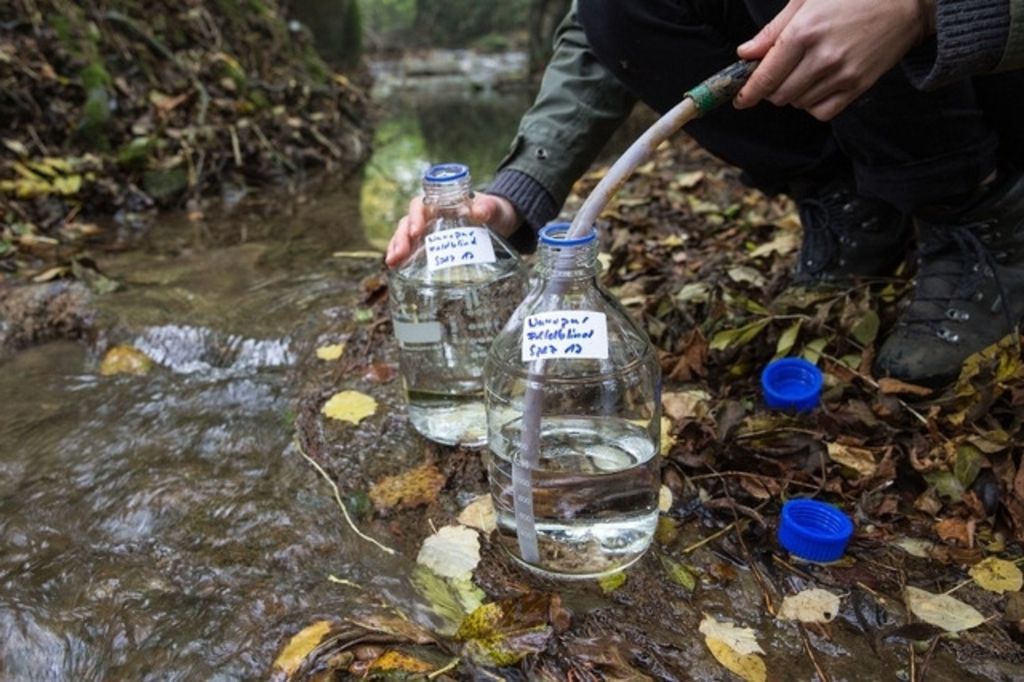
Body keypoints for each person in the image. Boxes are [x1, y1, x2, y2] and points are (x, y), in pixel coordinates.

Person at [386, 0, 1024, 388]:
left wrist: (922, 8)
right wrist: (516, 194)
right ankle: (854, 202)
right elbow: (599, 33)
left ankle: (975, 215)